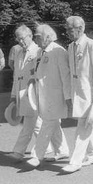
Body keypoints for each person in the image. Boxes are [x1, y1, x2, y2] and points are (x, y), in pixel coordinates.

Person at [7, 25, 68, 162]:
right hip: (24, 93)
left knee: (34, 123)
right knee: (48, 122)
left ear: (29, 36)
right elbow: (17, 75)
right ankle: (60, 150)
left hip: (35, 92)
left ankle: (20, 151)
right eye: (18, 39)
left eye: (22, 38)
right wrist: (13, 94)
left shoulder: (38, 51)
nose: (20, 42)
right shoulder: (19, 52)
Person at [61, 16, 93, 173]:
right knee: (85, 122)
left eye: (69, 29)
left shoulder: (91, 45)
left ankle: (75, 161)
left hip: (90, 93)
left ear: (80, 29)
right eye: (66, 29)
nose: (66, 32)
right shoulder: (71, 46)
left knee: (83, 127)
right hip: (77, 92)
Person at [25, 24, 71, 168]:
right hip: (43, 95)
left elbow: (66, 76)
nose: (36, 39)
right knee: (53, 123)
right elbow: (40, 71)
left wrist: (68, 97)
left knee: (47, 124)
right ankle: (62, 150)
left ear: (48, 37)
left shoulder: (58, 51)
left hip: (55, 96)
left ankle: (37, 155)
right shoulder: (41, 52)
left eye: (38, 37)